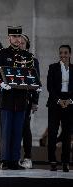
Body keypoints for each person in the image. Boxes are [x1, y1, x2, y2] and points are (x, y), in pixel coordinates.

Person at [0, 26, 36, 170]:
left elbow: (31, 74)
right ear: (9, 38)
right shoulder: (2, 54)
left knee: (18, 130)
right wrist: (1, 84)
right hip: (7, 98)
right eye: (14, 37)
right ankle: (5, 160)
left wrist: (35, 85)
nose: (17, 39)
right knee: (6, 130)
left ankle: (15, 160)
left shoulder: (27, 56)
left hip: (21, 98)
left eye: (19, 37)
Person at [47, 44, 73, 172]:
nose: (63, 55)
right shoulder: (52, 68)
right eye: (61, 53)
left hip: (70, 104)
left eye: (65, 53)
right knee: (52, 133)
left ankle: (65, 162)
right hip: (55, 103)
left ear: (70, 54)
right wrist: (58, 100)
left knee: (67, 135)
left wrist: (70, 100)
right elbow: (49, 87)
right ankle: (52, 160)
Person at [19, 34, 40, 169]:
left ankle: (28, 157)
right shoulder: (11, 58)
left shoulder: (33, 60)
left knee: (25, 127)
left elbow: (37, 81)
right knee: (14, 129)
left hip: (26, 98)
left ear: (27, 45)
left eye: (23, 42)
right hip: (12, 99)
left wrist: (35, 101)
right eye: (18, 42)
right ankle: (14, 157)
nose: (20, 44)